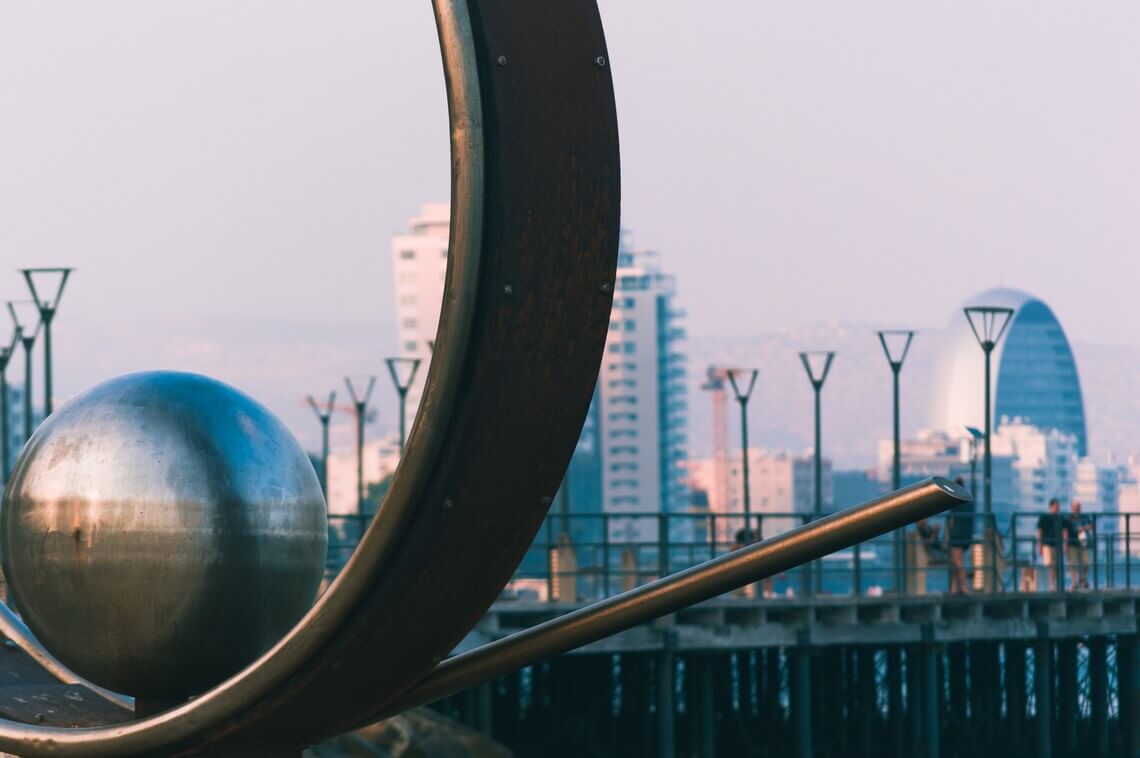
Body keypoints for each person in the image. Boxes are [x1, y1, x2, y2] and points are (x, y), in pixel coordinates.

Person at [946, 476, 975, 594]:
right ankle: (954, 588)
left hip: (956, 536)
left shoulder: (955, 501)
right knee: (955, 562)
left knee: (958, 562)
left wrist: (947, 536)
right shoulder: (968, 501)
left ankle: (963, 587)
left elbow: (952, 520)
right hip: (966, 537)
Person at [1036, 498, 1068, 591]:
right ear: (1051, 506)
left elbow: (1064, 531)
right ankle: (1048, 585)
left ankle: (1052, 584)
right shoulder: (1044, 517)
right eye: (1056, 506)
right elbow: (1039, 531)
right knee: (1048, 564)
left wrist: (1065, 544)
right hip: (1047, 544)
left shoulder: (1060, 518)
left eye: (1058, 506)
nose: (1058, 508)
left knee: (1056, 565)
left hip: (1057, 544)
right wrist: (1040, 545)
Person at [1065, 500, 1093, 590]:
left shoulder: (1085, 516)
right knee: (1072, 564)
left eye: (1078, 507)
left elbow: (1091, 525)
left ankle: (1082, 580)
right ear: (1071, 508)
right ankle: (1074, 583)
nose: (1077, 509)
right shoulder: (1067, 517)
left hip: (1083, 543)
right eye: (1075, 507)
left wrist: (1083, 528)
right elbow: (1065, 530)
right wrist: (1065, 543)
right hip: (1072, 543)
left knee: (1086, 562)